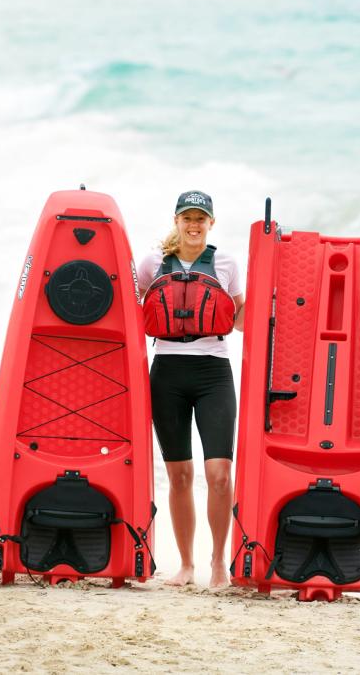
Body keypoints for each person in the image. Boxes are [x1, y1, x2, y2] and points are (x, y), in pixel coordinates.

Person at [137, 190, 245, 587]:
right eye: (188, 217)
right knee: (179, 475)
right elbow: (132, 309)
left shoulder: (226, 263)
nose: (194, 224)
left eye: (201, 218)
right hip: (167, 373)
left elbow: (240, 319)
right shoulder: (152, 263)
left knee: (219, 474)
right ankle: (186, 565)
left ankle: (218, 560)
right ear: (177, 221)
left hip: (213, 373)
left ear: (211, 223)